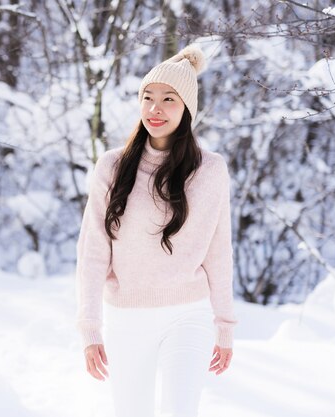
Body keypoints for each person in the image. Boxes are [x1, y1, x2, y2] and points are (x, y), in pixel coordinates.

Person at [75, 44, 238, 417]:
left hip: (188, 316)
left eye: (168, 99)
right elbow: (93, 251)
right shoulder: (112, 167)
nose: (155, 108)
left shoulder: (210, 171)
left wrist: (225, 324)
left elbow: (219, 251)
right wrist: (90, 327)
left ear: (187, 109)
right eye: (148, 97)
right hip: (126, 318)